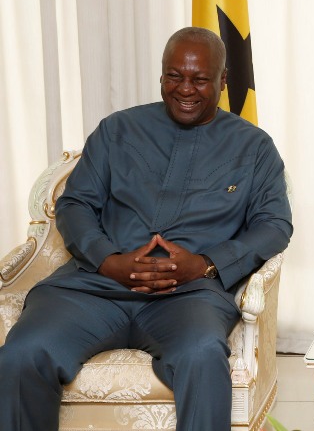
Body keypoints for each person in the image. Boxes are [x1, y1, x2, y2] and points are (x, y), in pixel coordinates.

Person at [0, 27, 292, 430]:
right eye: (174, 76)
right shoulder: (116, 130)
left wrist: (205, 264)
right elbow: (75, 203)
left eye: (200, 79)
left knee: (202, 355)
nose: (184, 89)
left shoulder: (254, 148)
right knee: (23, 353)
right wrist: (108, 260)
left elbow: (274, 224)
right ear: (161, 75)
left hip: (189, 296)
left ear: (223, 81)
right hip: (94, 288)